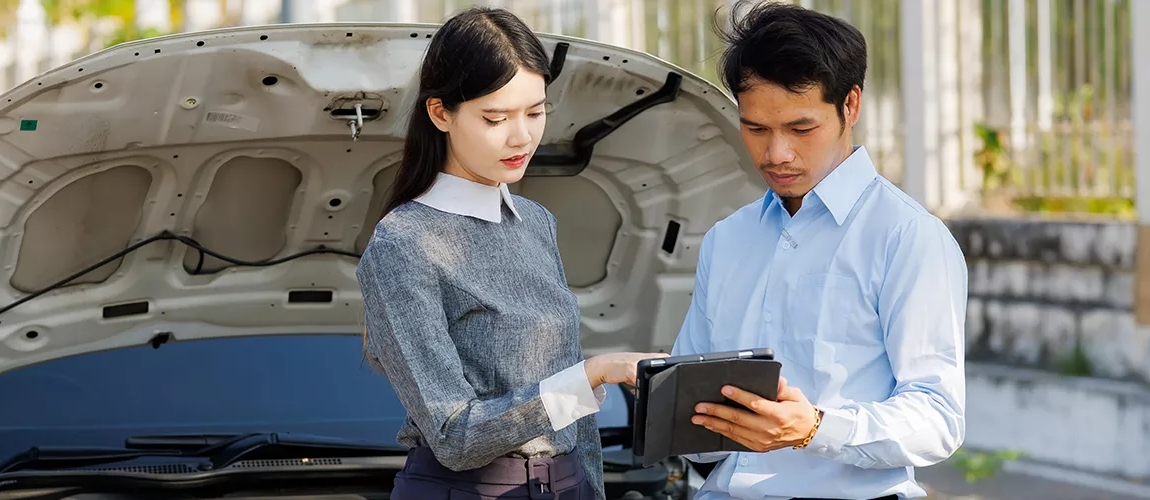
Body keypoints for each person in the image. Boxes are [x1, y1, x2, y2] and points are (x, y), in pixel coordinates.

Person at [355, 7, 667, 500]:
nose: (522, 137)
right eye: (495, 118)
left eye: (536, 112)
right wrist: (592, 374)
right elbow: (454, 437)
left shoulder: (536, 222)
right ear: (440, 113)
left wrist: (591, 488)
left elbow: (572, 410)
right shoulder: (404, 243)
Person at [670, 2, 968, 499]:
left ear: (850, 106)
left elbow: (938, 417)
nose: (776, 154)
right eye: (756, 128)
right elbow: (694, 428)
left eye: (800, 129)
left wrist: (815, 428)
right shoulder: (727, 238)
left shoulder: (908, 236)